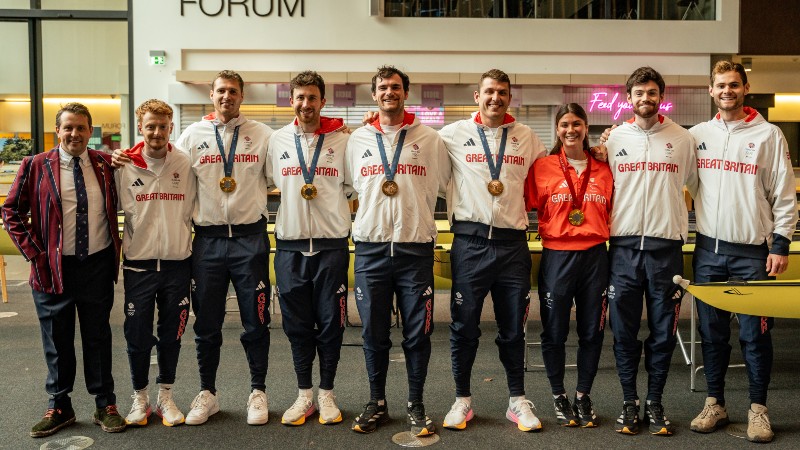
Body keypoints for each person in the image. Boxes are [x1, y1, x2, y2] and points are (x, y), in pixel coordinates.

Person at [113, 70, 273, 426]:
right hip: (208, 241)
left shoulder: (263, 136)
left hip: (250, 238)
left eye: (232, 91)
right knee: (206, 324)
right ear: (211, 95)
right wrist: (121, 156)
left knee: (256, 321)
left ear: (241, 95)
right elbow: (158, 158)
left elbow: (290, 166)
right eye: (220, 91)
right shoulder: (191, 136)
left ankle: (257, 391)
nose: (226, 96)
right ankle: (208, 393)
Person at [687, 60, 798, 443]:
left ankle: (758, 408)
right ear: (710, 90)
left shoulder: (769, 135)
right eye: (720, 85)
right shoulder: (697, 134)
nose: (727, 91)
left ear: (745, 87)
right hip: (708, 251)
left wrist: (780, 243)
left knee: (755, 336)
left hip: (752, 253)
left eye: (734, 84)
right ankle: (715, 402)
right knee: (712, 334)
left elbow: (784, 194)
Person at [3, 102, 126, 437]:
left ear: (90, 131)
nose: (74, 134)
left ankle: (105, 403)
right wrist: (34, 254)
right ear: (58, 130)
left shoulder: (104, 164)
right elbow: (11, 210)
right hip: (52, 269)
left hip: (96, 265)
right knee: (57, 340)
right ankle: (59, 405)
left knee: (98, 335)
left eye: (81, 128)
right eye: (68, 127)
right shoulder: (35, 165)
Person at [437, 69, 546, 432]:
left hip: (513, 244)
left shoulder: (527, 137)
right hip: (469, 243)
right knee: (464, 326)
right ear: (476, 96)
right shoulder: (452, 134)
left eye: (502, 92)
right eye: (489, 92)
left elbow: (551, 173)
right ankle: (462, 400)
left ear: (509, 98)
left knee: (514, 327)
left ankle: (517, 401)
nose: (495, 98)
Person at [345, 65, 450, 436]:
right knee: (373, 333)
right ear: (373, 95)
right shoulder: (355, 140)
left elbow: (453, 182)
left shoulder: (431, 139)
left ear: (406, 92)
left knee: (418, 333)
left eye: (395, 87)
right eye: (382, 88)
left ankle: (416, 404)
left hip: (414, 250)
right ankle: (376, 402)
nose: (389, 92)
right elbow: (340, 187)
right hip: (371, 250)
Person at [603, 67, 698, 436]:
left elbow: (696, 185)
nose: (646, 98)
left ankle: (655, 403)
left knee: (662, 334)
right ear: (629, 98)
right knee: (623, 332)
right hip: (623, 250)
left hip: (666, 251)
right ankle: (630, 403)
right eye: (639, 93)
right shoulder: (613, 140)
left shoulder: (683, 139)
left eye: (652, 92)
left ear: (662, 96)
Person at [266, 71, 351, 426]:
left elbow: (351, 187)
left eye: (312, 98)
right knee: (297, 325)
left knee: (331, 324)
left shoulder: (343, 141)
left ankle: (327, 394)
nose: (306, 104)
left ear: (322, 101)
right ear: (291, 101)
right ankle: (304, 395)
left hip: (331, 247)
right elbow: (270, 182)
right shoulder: (275, 141)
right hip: (289, 247)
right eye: (299, 97)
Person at [525, 103, 613, 429]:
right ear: (557, 129)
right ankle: (558, 395)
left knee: (592, 331)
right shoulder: (543, 167)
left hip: (595, 257)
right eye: (564, 124)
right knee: (555, 332)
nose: (571, 130)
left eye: (577, 123)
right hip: (557, 257)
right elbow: (521, 203)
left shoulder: (604, 168)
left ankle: (583, 395)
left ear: (586, 127)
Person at [116, 99, 196, 427]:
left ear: (171, 128)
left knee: (172, 334)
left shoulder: (185, 163)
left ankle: (166, 396)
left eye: (163, 126)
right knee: (137, 335)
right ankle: (140, 398)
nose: (157, 132)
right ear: (140, 128)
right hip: (139, 265)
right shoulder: (123, 165)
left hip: (178, 263)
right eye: (150, 126)